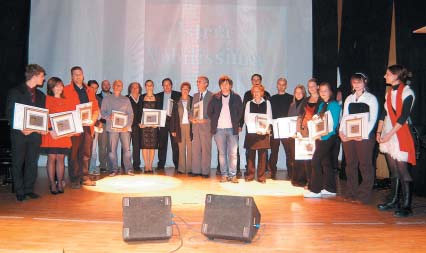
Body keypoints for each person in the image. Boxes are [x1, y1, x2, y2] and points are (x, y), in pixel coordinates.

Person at [377, 65, 416, 217]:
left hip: (400, 134)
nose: (384, 76)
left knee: (403, 171)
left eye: (387, 74)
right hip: (388, 133)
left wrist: (389, 135)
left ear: (396, 76)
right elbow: (383, 113)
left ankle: (407, 205)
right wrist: (379, 132)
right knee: (393, 171)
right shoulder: (388, 94)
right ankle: (394, 200)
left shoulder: (407, 92)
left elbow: (403, 117)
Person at [6, 64, 46, 201]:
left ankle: (29, 189)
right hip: (19, 134)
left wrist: (42, 128)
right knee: (18, 162)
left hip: (35, 134)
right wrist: (21, 128)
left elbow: (42, 116)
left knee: (32, 162)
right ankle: (19, 191)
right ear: (34, 76)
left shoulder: (41, 95)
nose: (43, 79)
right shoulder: (15, 91)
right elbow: (10, 112)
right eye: (42, 76)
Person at [339, 73, 378, 204]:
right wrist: (341, 132)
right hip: (349, 137)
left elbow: (373, 119)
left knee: (365, 165)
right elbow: (344, 117)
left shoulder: (371, 98)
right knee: (350, 165)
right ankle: (351, 192)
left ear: (365, 82)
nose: (356, 84)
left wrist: (363, 134)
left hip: (364, 137)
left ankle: (364, 195)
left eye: (359, 82)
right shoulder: (349, 98)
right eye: (354, 82)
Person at [63, 66, 99, 188]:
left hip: (88, 126)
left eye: (80, 74)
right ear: (72, 77)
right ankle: (74, 179)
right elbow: (64, 109)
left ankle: (84, 176)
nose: (78, 76)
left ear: (83, 75)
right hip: (74, 127)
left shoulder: (89, 90)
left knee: (86, 153)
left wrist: (92, 120)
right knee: (73, 154)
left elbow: (95, 108)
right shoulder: (66, 90)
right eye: (75, 74)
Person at [304, 82, 341, 198]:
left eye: (326, 91)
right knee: (326, 163)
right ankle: (330, 188)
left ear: (330, 92)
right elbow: (318, 122)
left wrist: (322, 136)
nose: (323, 93)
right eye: (321, 91)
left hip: (329, 137)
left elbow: (333, 125)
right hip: (320, 137)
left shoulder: (334, 105)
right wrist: (316, 133)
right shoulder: (321, 105)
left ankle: (315, 190)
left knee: (315, 161)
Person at [41, 77, 74, 194]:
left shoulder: (67, 100)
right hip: (51, 134)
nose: (59, 88)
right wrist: (50, 130)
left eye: (60, 85)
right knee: (52, 158)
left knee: (61, 158)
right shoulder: (46, 99)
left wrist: (68, 130)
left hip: (63, 135)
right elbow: (44, 116)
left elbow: (70, 118)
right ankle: (51, 184)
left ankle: (60, 182)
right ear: (51, 87)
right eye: (56, 86)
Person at [208, 75, 243, 183]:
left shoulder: (236, 97)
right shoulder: (215, 97)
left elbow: (240, 112)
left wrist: (238, 124)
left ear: (230, 85)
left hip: (232, 129)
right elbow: (209, 112)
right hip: (219, 130)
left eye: (227, 84)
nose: (225, 86)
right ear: (220, 86)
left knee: (233, 153)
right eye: (223, 84)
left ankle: (232, 175)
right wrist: (215, 120)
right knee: (222, 153)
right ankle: (224, 175)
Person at [239, 74, 271, 177]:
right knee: (251, 154)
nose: (256, 93)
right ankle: (250, 175)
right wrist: (252, 128)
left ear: (262, 93)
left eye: (258, 91)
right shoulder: (249, 103)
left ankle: (261, 176)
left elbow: (269, 117)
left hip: (263, 131)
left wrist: (265, 129)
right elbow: (246, 117)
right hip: (252, 132)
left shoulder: (267, 103)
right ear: (252, 93)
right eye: (255, 92)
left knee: (262, 155)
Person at [101, 80, 134, 176]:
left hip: (124, 129)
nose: (118, 86)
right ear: (113, 86)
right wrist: (108, 116)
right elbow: (102, 112)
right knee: (112, 150)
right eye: (116, 85)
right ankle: (113, 170)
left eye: (120, 85)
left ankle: (129, 169)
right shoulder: (107, 99)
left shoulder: (126, 99)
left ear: (122, 87)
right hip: (112, 128)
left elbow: (131, 114)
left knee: (127, 150)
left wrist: (127, 126)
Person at [296, 78, 320, 187]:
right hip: (305, 131)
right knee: (307, 158)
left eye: (313, 86)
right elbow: (300, 116)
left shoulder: (322, 100)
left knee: (316, 158)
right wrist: (298, 131)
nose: (311, 88)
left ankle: (317, 182)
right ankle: (309, 181)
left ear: (318, 87)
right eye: (309, 86)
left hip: (317, 132)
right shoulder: (305, 100)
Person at [269, 77, 294, 180]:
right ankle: (272, 172)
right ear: (277, 85)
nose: (281, 86)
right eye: (279, 84)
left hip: (286, 128)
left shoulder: (291, 97)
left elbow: (293, 113)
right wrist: (270, 128)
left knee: (289, 152)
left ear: (286, 86)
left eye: (283, 84)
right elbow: (269, 114)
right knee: (274, 152)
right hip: (275, 127)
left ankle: (291, 173)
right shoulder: (272, 98)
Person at [156, 78, 181, 170]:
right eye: (164, 85)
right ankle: (161, 164)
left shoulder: (178, 95)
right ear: (162, 86)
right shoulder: (158, 96)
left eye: (168, 84)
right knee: (162, 144)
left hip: (174, 122)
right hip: (162, 121)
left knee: (175, 144)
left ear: (172, 85)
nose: (166, 86)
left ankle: (177, 164)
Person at [190, 76, 213, 178]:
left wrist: (206, 120)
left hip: (206, 127)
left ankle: (205, 172)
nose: (197, 83)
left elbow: (215, 113)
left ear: (206, 84)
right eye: (197, 82)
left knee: (206, 150)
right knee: (195, 149)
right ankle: (196, 170)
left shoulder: (212, 96)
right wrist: (191, 119)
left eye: (200, 82)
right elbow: (191, 111)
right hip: (196, 127)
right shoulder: (195, 96)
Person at [170, 82, 193, 174]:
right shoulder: (176, 101)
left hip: (190, 126)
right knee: (181, 147)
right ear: (181, 90)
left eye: (187, 89)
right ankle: (181, 169)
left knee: (190, 148)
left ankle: (190, 169)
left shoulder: (193, 100)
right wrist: (173, 129)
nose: (185, 90)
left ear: (189, 90)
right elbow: (173, 116)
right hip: (179, 127)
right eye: (183, 88)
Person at [288, 84, 308, 186]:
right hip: (293, 135)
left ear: (304, 93)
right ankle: (295, 179)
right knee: (294, 158)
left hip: (302, 134)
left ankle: (302, 180)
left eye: (300, 92)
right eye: (296, 92)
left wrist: (299, 131)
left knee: (302, 157)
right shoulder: (292, 105)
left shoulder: (306, 104)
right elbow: (288, 120)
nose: (298, 94)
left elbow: (305, 120)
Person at [140, 80, 160, 172]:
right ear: (145, 86)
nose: (149, 87)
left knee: (152, 146)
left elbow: (160, 112)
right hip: (144, 126)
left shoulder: (158, 97)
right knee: (144, 146)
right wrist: (139, 123)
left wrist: (157, 123)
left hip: (153, 126)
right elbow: (138, 112)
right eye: (147, 85)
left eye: (150, 85)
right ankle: (146, 165)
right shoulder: (141, 97)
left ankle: (150, 165)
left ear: (153, 86)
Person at [127, 82, 143, 173]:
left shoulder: (142, 98)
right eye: (132, 87)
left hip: (138, 126)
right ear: (130, 89)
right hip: (128, 126)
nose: (134, 89)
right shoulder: (126, 98)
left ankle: (136, 165)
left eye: (136, 87)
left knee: (136, 146)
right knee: (126, 147)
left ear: (139, 89)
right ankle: (125, 164)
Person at [87, 80, 102, 179]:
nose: (94, 89)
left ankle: (92, 168)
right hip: (84, 127)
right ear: (88, 87)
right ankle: (84, 169)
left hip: (95, 127)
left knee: (93, 149)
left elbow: (99, 114)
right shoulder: (84, 97)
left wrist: (99, 122)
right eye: (92, 87)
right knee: (85, 149)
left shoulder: (98, 99)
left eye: (96, 88)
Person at [97, 80, 112, 172]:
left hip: (112, 124)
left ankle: (110, 165)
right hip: (102, 123)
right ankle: (102, 165)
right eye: (104, 84)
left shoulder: (114, 96)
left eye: (107, 84)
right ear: (101, 86)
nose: (106, 86)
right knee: (102, 146)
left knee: (111, 146)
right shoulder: (97, 97)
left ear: (110, 86)